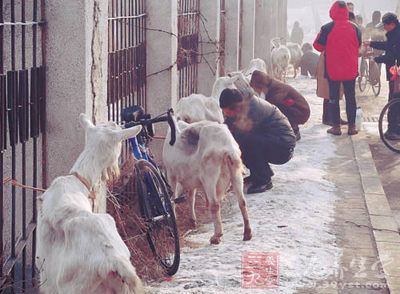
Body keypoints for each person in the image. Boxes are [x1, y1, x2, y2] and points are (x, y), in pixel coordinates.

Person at [219, 88, 296, 194]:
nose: (226, 114)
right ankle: (259, 174)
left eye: (227, 111)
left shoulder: (253, 109)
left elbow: (238, 135)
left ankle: (264, 180)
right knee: (246, 142)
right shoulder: (241, 105)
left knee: (246, 142)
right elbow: (228, 127)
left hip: (283, 147)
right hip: (273, 140)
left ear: (234, 106)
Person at [313, 1, 362, 135]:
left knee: (333, 97)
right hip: (350, 69)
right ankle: (352, 127)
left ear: (332, 12)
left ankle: (336, 127)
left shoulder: (327, 28)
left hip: (333, 69)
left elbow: (317, 46)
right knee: (351, 97)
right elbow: (358, 44)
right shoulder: (355, 27)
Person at [364, 12, 400, 140]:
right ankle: (393, 129)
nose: (384, 28)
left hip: (397, 74)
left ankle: (394, 130)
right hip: (394, 72)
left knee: (394, 101)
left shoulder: (398, 35)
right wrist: (371, 43)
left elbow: (393, 55)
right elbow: (388, 46)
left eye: (385, 25)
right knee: (394, 100)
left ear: (392, 24)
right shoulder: (394, 34)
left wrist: (377, 59)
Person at [249, 70, 310, 141]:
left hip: (301, 112)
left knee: (278, 110)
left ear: (261, 86)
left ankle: (293, 131)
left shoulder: (277, 90)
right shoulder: (271, 86)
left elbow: (271, 108)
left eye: (256, 88)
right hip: (297, 109)